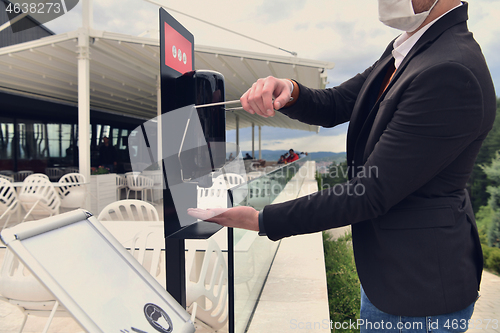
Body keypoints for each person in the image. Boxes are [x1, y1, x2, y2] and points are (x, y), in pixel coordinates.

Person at [188, 0, 496, 330]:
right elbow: (338, 103)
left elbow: (370, 192)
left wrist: (263, 219)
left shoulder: (450, 70)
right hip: (391, 275)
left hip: (418, 291)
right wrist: (290, 91)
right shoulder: (410, 47)